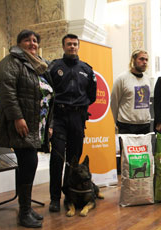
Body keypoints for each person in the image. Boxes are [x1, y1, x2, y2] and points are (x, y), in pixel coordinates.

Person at [0, 29, 53, 228]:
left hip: (36, 123)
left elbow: (47, 96)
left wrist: (48, 124)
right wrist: (17, 117)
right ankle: (24, 212)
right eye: (27, 40)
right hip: (20, 123)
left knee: (28, 164)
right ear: (19, 44)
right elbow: (8, 93)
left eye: (35, 40)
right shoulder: (10, 62)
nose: (32, 43)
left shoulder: (38, 65)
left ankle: (26, 208)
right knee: (29, 161)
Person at [48, 34, 97, 212]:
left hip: (77, 118)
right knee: (57, 158)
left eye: (75, 44)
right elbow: (47, 92)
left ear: (78, 46)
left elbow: (91, 95)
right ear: (63, 46)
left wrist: (78, 106)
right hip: (59, 117)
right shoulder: (54, 67)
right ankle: (54, 198)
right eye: (69, 44)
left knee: (74, 162)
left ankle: (70, 195)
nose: (72, 47)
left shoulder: (86, 69)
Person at [111, 49, 151, 134]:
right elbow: (114, 102)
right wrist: (114, 122)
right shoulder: (122, 78)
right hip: (126, 125)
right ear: (133, 60)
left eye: (146, 60)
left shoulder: (147, 79)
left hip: (145, 124)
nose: (144, 62)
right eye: (141, 59)